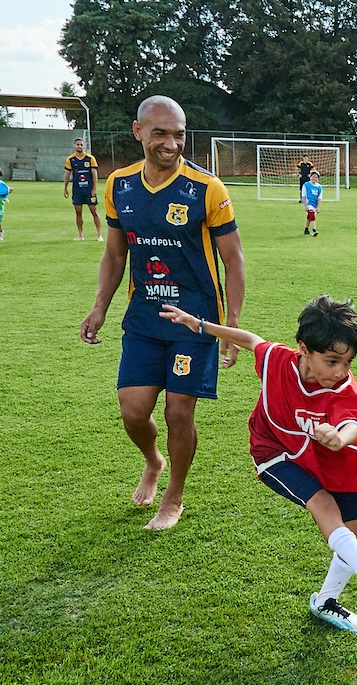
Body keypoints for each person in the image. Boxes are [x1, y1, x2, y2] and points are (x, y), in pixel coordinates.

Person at [159, 295, 357, 632]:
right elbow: (251, 340)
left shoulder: (343, 387)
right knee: (322, 503)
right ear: (303, 348)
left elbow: (353, 425)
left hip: (322, 459)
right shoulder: (277, 361)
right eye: (332, 361)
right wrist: (198, 324)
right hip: (274, 455)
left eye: (348, 363)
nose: (340, 371)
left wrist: (339, 438)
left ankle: (325, 602)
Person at [79, 95, 246, 531]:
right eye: (160, 133)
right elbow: (115, 255)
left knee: (178, 411)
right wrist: (100, 306)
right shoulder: (118, 184)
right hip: (145, 316)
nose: (171, 143)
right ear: (139, 133)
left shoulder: (208, 189)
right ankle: (152, 461)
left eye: (179, 134)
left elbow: (234, 260)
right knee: (133, 412)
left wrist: (229, 327)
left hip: (194, 319)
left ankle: (173, 496)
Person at [64, 137, 103, 241]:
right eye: (77, 144)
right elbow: (67, 174)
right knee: (78, 212)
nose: (79, 146)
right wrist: (65, 188)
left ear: (84, 146)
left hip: (89, 190)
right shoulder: (70, 159)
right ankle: (80, 235)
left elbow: (94, 174)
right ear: (74, 145)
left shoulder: (90, 158)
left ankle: (99, 235)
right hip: (77, 190)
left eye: (81, 145)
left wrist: (94, 188)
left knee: (93, 211)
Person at [302, 169, 322, 236]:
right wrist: (305, 205)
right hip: (309, 203)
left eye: (316, 177)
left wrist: (318, 207)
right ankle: (314, 230)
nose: (314, 178)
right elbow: (304, 196)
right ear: (310, 177)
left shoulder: (319, 187)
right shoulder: (306, 185)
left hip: (314, 204)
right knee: (312, 215)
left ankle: (306, 229)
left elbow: (319, 198)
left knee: (309, 217)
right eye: (313, 176)